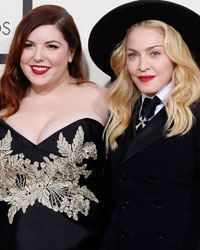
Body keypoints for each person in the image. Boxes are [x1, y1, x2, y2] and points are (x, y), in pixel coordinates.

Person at [88, 1, 200, 249]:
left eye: (155, 53)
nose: (142, 66)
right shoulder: (121, 113)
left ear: (176, 57)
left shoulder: (195, 113)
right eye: (133, 55)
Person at [0, 4, 109, 250]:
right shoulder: (4, 103)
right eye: (29, 45)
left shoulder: (103, 100)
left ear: (71, 52)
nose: (38, 56)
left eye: (52, 46)